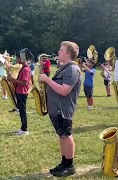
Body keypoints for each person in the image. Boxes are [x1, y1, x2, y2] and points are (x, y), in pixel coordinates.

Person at [39, 41, 81, 177]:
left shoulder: (72, 69)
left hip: (63, 109)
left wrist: (47, 79)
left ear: (68, 54)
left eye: (61, 50)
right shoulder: (65, 67)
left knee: (66, 135)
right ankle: (64, 163)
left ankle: (69, 166)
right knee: (62, 135)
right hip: (56, 108)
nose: (58, 52)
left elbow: (64, 90)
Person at [7, 49, 32, 136]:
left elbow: (24, 83)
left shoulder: (26, 69)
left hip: (22, 93)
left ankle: (25, 130)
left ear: (23, 59)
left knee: (22, 111)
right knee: (21, 111)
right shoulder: (23, 68)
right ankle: (22, 128)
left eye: (18, 58)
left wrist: (13, 79)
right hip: (20, 92)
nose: (17, 60)